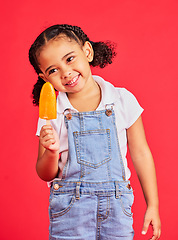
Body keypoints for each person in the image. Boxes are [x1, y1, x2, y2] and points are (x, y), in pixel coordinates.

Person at [29, 24, 161, 240]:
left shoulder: (122, 99)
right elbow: (44, 173)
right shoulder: (52, 113)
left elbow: (141, 154)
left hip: (117, 210)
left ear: (87, 52)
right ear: (45, 78)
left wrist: (152, 205)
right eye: (53, 70)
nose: (66, 72)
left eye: (69, 59)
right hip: (70, 212)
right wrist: (51, 152)